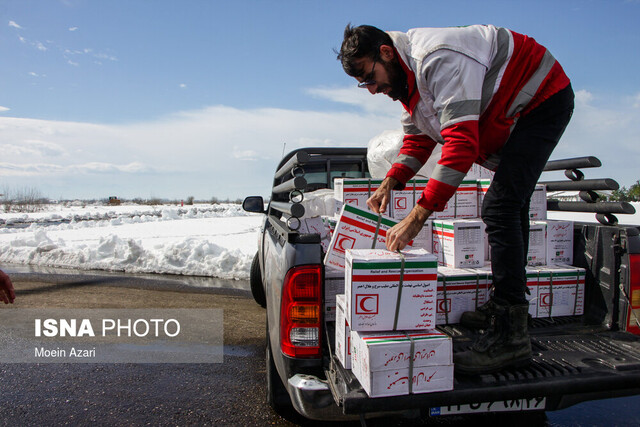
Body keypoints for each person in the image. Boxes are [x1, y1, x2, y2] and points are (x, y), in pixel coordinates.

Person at [338, 24, 574, 374]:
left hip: (541, 99)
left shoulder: (437, 59)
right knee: (512, 205)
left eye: (369, 77)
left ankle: (512, 336)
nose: (372, 90)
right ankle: (507, 305)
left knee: (500, 206)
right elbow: (420, 139)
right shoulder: (410, 85)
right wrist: (391, 180)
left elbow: (462, 144)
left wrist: (417, 216)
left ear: (386, 53)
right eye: (364, 85)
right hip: (518, 109)